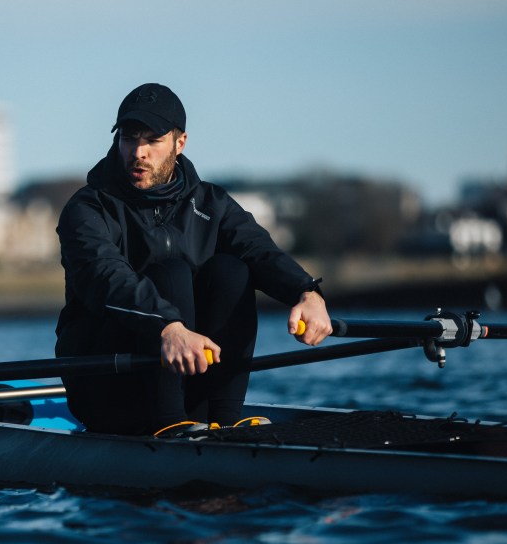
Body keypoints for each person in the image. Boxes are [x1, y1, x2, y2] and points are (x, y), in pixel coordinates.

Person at [55, 82, 333, 436]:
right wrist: (167, 327)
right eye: (129, 137)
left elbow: (258, 250)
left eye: (152, 139)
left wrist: (306, 292)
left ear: (179, 142)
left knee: (232, 270)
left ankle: (225, 417)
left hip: (191, 379)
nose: (138, 151)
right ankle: (170, 424)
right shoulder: (87, 209)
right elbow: (105, 276)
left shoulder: (210, 202)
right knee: (169, 273)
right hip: (109, 385)